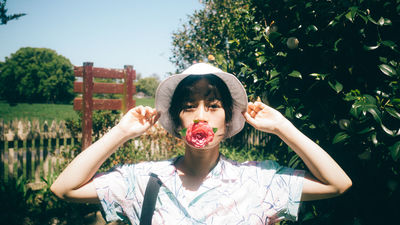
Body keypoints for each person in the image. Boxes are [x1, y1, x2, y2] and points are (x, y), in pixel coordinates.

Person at [51, 63, 352, 224]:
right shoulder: (144, 180)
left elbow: (338, 184)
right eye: (188, 106)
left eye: (212, 105)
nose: (200, 117)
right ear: (176, 121)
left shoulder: (258, 181)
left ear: (229, 118)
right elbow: (64, 188)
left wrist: (284, 128)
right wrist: (121, 132)